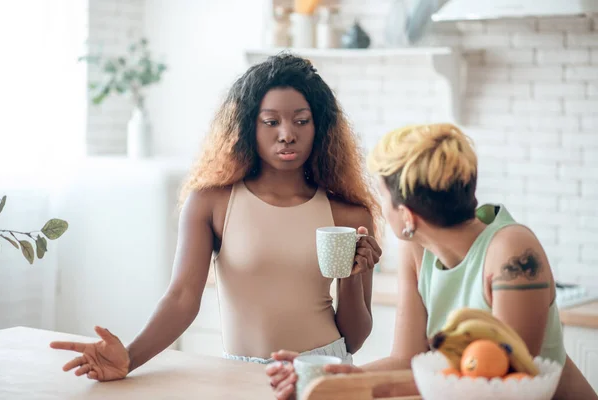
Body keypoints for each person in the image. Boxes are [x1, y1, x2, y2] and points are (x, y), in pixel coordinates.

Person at [49, 53, 383, 379]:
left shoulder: (348, 213)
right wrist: (130, 359)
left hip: (322, 375)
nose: (286, 134)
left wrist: (354, 275)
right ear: (248, 126)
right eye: (270, 122)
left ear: (319, 126)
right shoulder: (211, 203)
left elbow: (353, 338)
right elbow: (181, 298)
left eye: (301, 120)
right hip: (238, 375)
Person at [268, 123, 598, 400]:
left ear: (407, 215)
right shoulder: (417, 250)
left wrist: (344, 386)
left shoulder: (512, 250)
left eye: (382, 196)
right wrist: (328, 375)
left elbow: (498, 377)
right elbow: (406, 360)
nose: (381, 207)